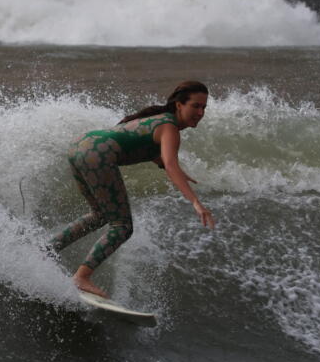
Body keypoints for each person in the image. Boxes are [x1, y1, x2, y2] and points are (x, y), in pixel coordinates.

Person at [48, 80, 216, 298]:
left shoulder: (158, 119)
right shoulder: (170, 128)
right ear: (179, 105)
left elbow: (143, 145)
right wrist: (196, 202)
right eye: (195, 106)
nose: (200, 112)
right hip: (97, 154)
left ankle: (47, 249)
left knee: (100, 215)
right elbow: (170, 163)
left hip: (80, 146)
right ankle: (82, 277)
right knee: (122, 226)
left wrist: (170, 168)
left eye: (204, 107)